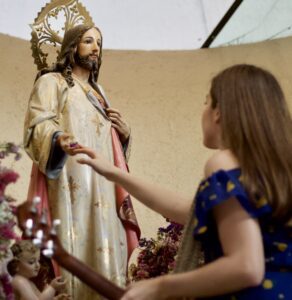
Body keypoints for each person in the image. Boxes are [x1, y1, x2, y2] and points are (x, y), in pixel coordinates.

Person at [73, 64, 292, 299]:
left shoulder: (222, 162)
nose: (204, 110)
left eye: (207, 102)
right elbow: (189, 210)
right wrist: (114, 172)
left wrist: (159, 287)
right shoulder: (272, 172)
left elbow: (246, 266)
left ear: (219, 112)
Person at [23, 24, 140, 299]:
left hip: (105, 188)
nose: (96, 48)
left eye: (99, 42)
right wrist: (58, 137)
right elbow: (37, 124)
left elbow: (110, 146)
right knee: (74, 241)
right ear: (72, 46)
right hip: (70, 183)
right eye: (88, 41)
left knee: (111, 246)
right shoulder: (53, 82)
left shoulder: (99, 92)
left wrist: (124, 136)